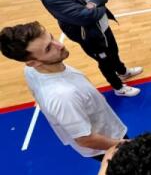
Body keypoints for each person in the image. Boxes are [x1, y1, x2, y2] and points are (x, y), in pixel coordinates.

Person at [0, 22, 127, 159]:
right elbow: (85, 140)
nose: (59, 45)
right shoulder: (63, 96)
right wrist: (126, 145)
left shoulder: (31, 70)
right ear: (33, 62)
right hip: (108, 145)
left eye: (52, 38)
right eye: (48, 48)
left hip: (105, 126)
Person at [28, 0, 142, 97]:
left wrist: (93, 3)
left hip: (102, 25)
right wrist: (99, 2)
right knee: (104, 61)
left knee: (113, 50)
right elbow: (85, 17)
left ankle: (122, 72)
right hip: (88, 35)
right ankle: (118, 87)